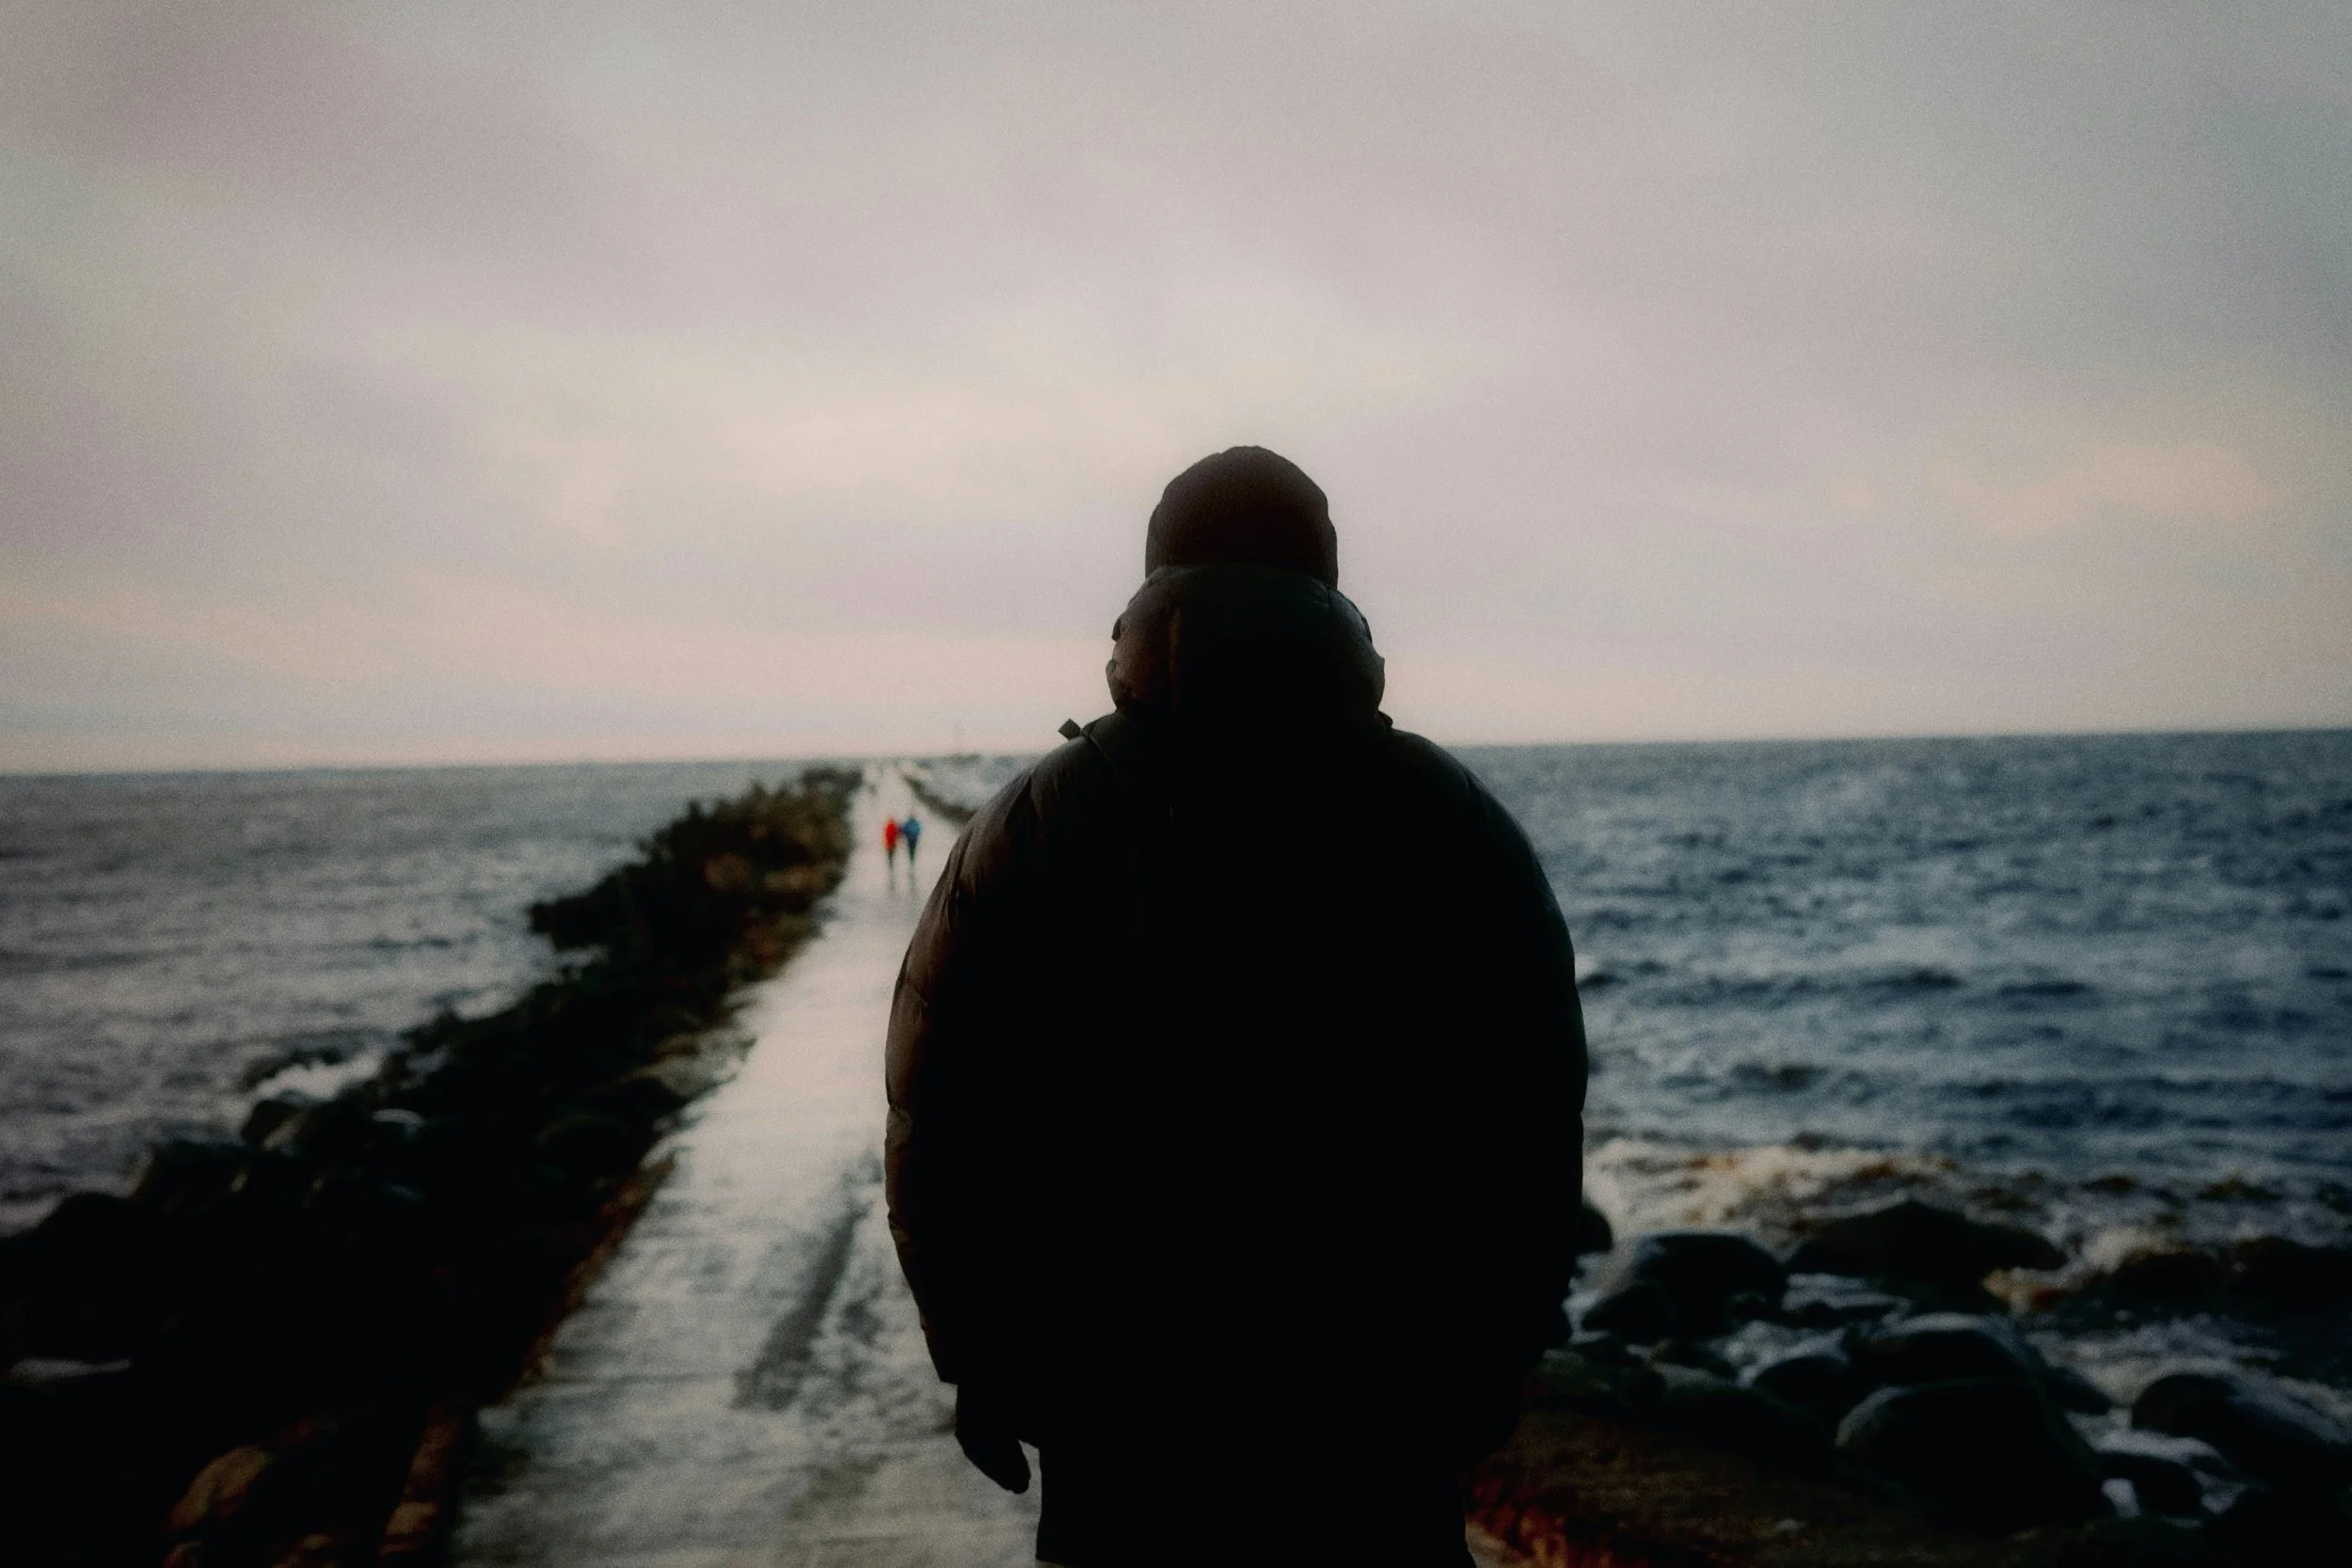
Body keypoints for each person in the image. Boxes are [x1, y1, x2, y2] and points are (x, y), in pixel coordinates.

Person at [884, 447, 1588, 1566]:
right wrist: (1495, 1353)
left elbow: (941, 1111)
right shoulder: (1450, 818)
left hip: (1116, 1408)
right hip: (1372, 1407)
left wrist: (973, 1351)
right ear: (1330, 584)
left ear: (1154, 583)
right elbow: (1531, 1115)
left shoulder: (1031, 823)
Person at [882, 814, 900, 880]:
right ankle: (891, 866)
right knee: (892, 855)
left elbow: (886, 835)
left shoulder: (888, 826)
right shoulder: (894, 826)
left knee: (890, 855)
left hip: (889, 844)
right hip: (892, 844)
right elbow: (897, 835)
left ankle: (891, 865)